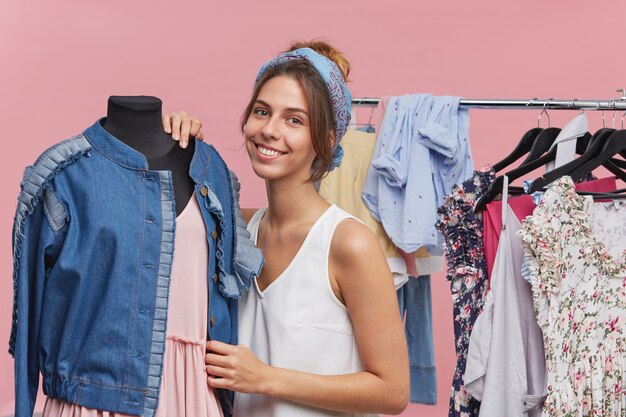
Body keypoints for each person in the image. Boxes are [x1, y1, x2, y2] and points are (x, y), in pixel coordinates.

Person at [164, 40, 410, 417]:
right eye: (262, 112)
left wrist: (265, 378)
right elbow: (163, 221)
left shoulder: (348, 244)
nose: (269, 130)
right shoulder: (236, 228)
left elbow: (392, 392)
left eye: (294, 120)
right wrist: (177, 144)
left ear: (326, 140)